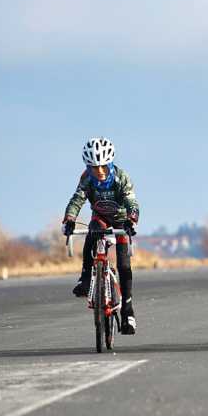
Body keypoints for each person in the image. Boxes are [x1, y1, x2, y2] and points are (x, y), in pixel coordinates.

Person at [62, 137, 140, 334]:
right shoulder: (86, 178)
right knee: (92, 232)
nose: (100, 171)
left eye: (103, 166)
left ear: (110, 162)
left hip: (121, 220)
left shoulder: (121, 177)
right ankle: (86, 277)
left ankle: (128, 311)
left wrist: (132, 219)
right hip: (101, 218)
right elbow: (77, 199)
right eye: (94, 167)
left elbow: (132, 202)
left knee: (123, 265)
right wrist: (69, 219)